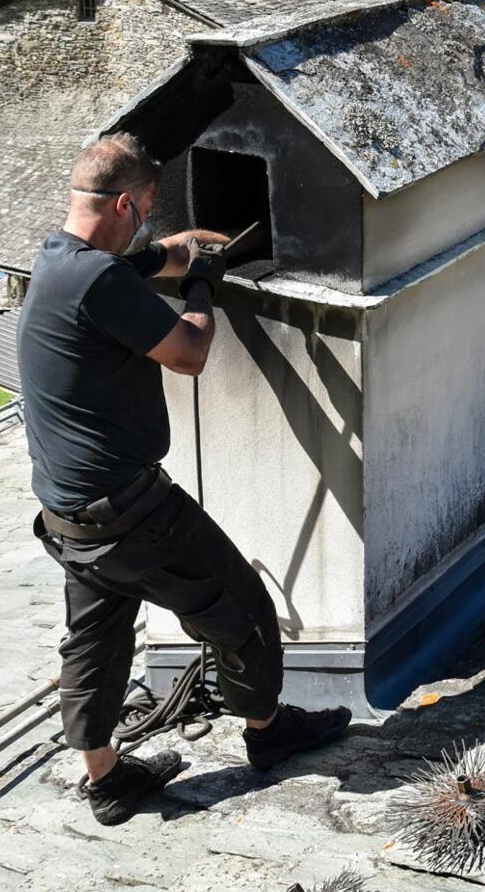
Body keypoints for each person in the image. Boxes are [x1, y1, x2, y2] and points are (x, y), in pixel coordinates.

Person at [17, 133, 350, 826]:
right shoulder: (100, 281)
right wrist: (203, 286)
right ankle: (267, 731)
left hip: (69, 514)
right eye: (143, 209)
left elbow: (142, 261)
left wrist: (183, 250)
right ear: (125, 203)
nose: (146, 221)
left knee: (95, 641)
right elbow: (188, 354)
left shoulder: (56, 261)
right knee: (243, 609)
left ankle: (107, 781)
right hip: (132, 512)